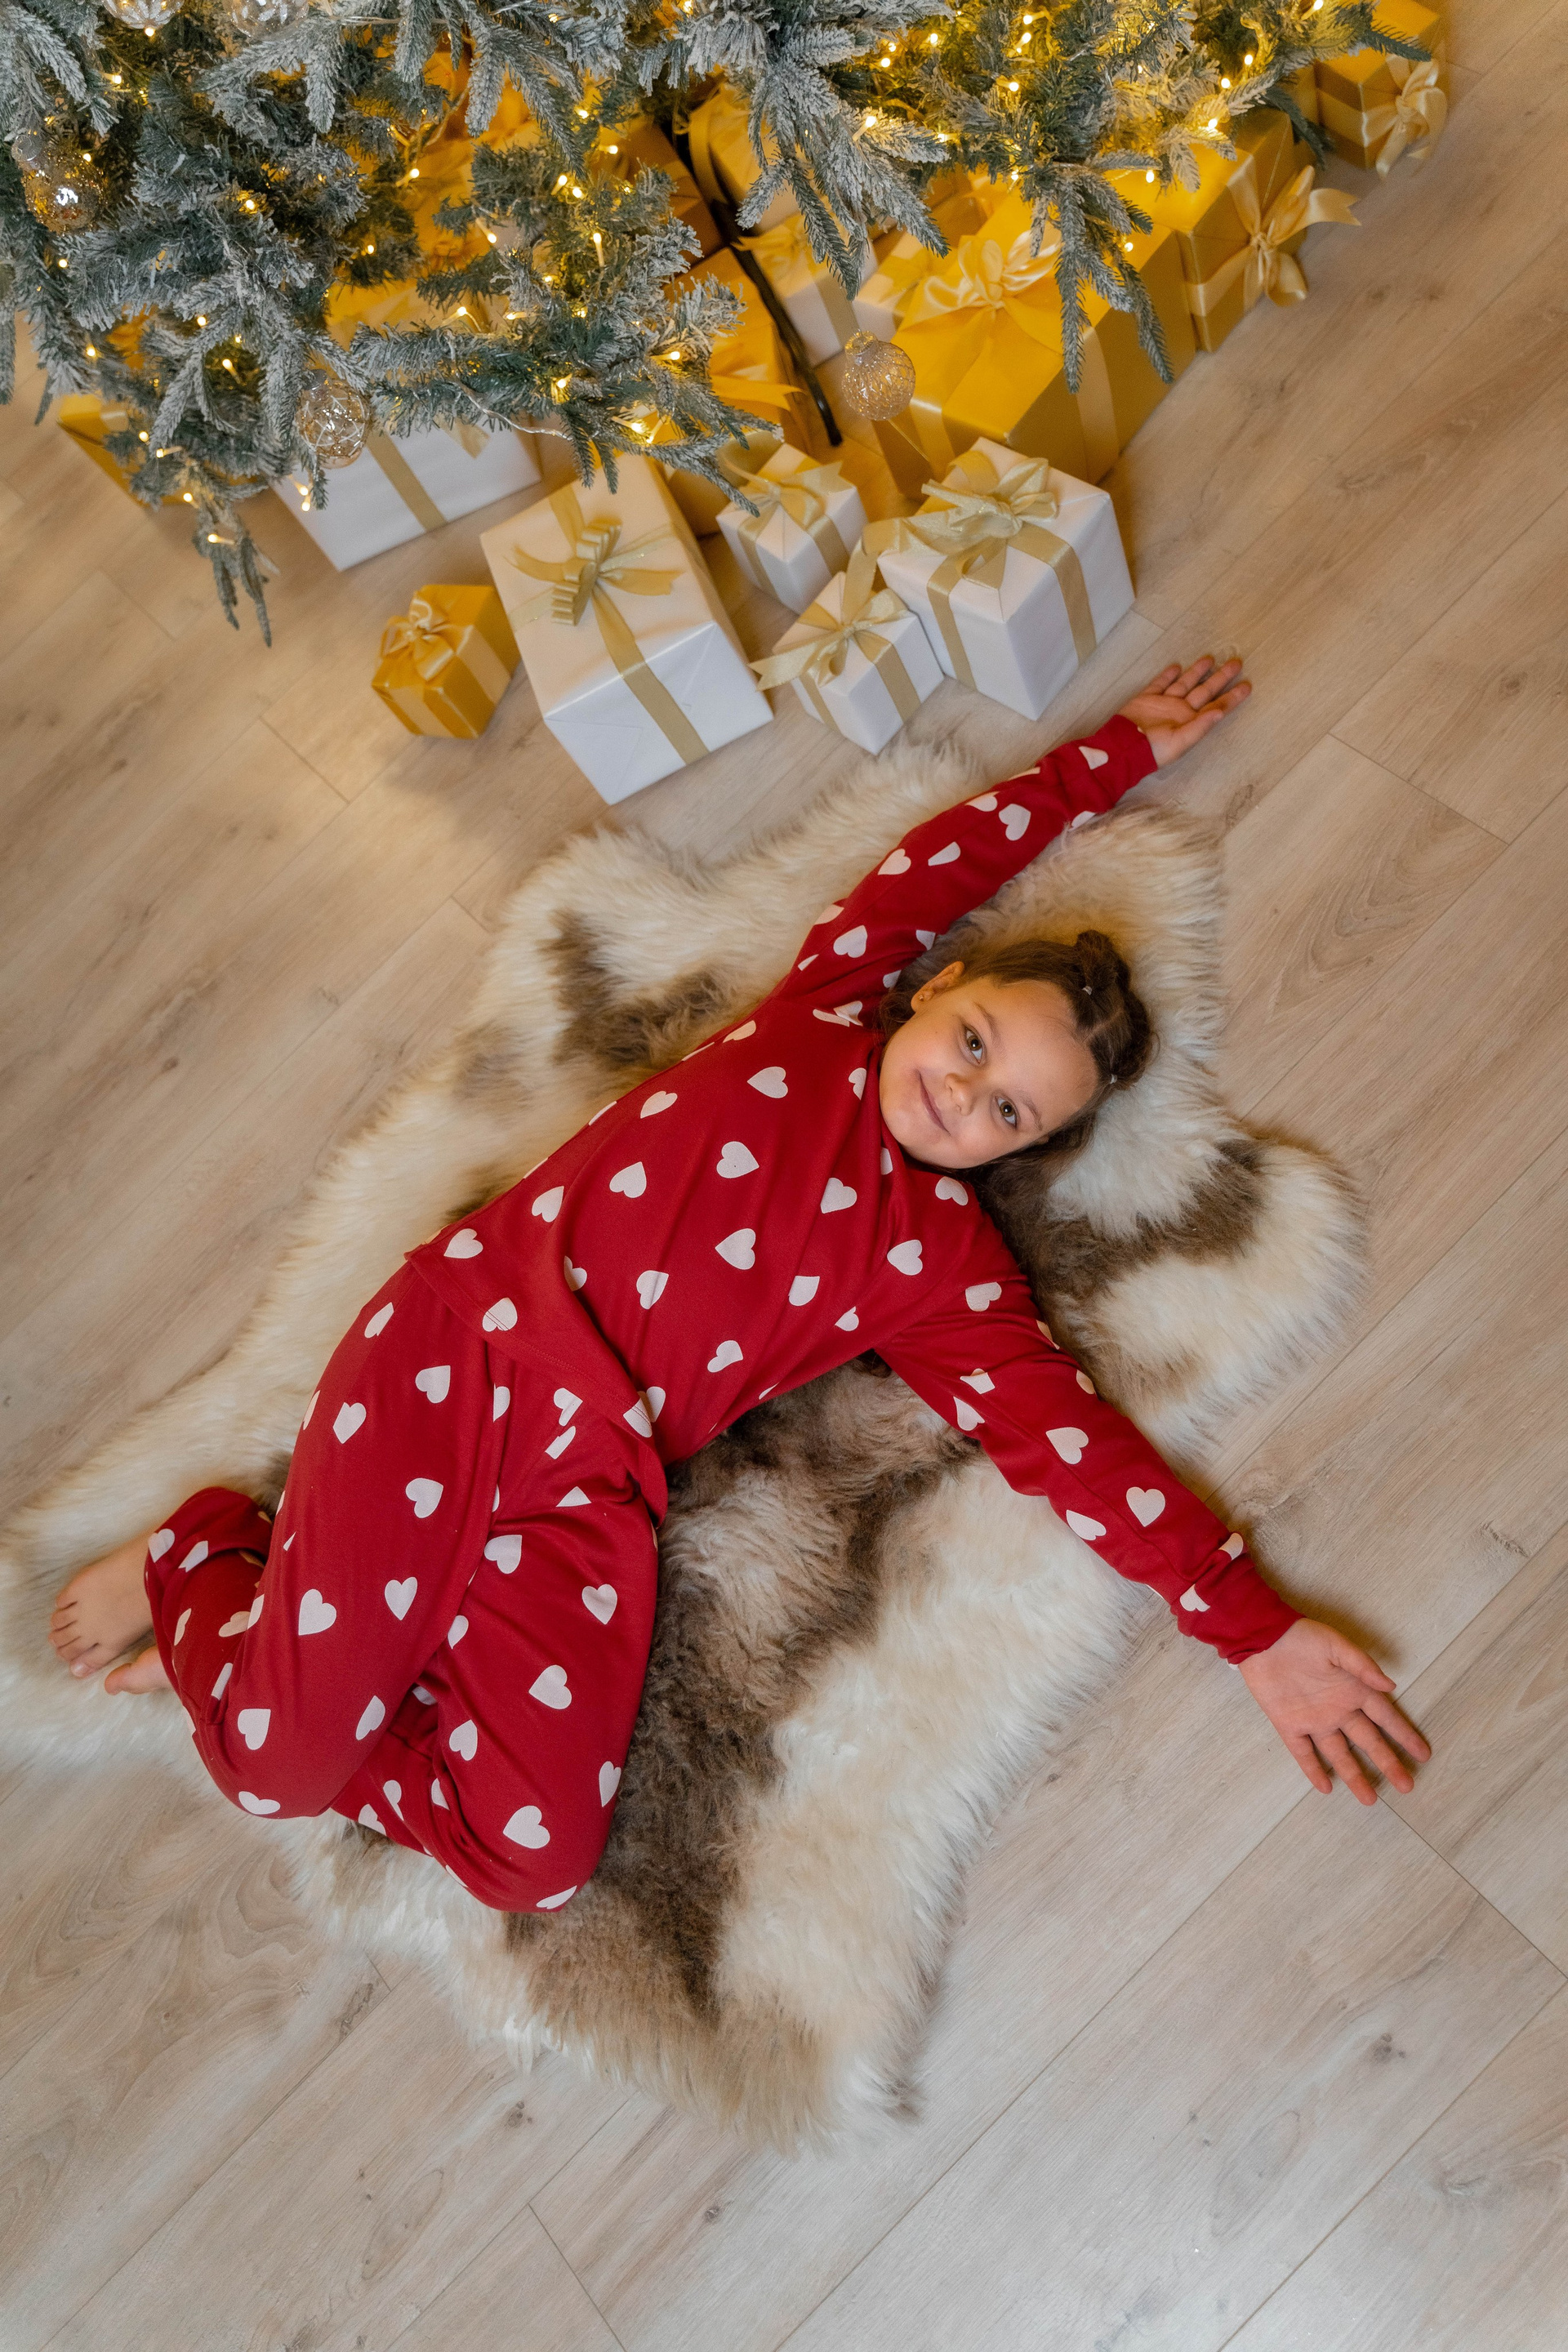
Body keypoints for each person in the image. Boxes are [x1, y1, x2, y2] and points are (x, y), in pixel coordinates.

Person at [49, 656, 1430, 1909]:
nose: (966, 1096)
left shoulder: (942, 1272)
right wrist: (1109, 757)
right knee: (275, 1768)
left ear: (1019, 1153)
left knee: (533, 1859)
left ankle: (294, 1656)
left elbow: (1082, 1454)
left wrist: (1253, 1632)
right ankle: (206, 1552)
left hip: (583, 1492)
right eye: (972, 1043)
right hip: (464, 1358)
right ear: (930, 990)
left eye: (1009, 1112)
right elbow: (941, 861)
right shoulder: (823, 1009)